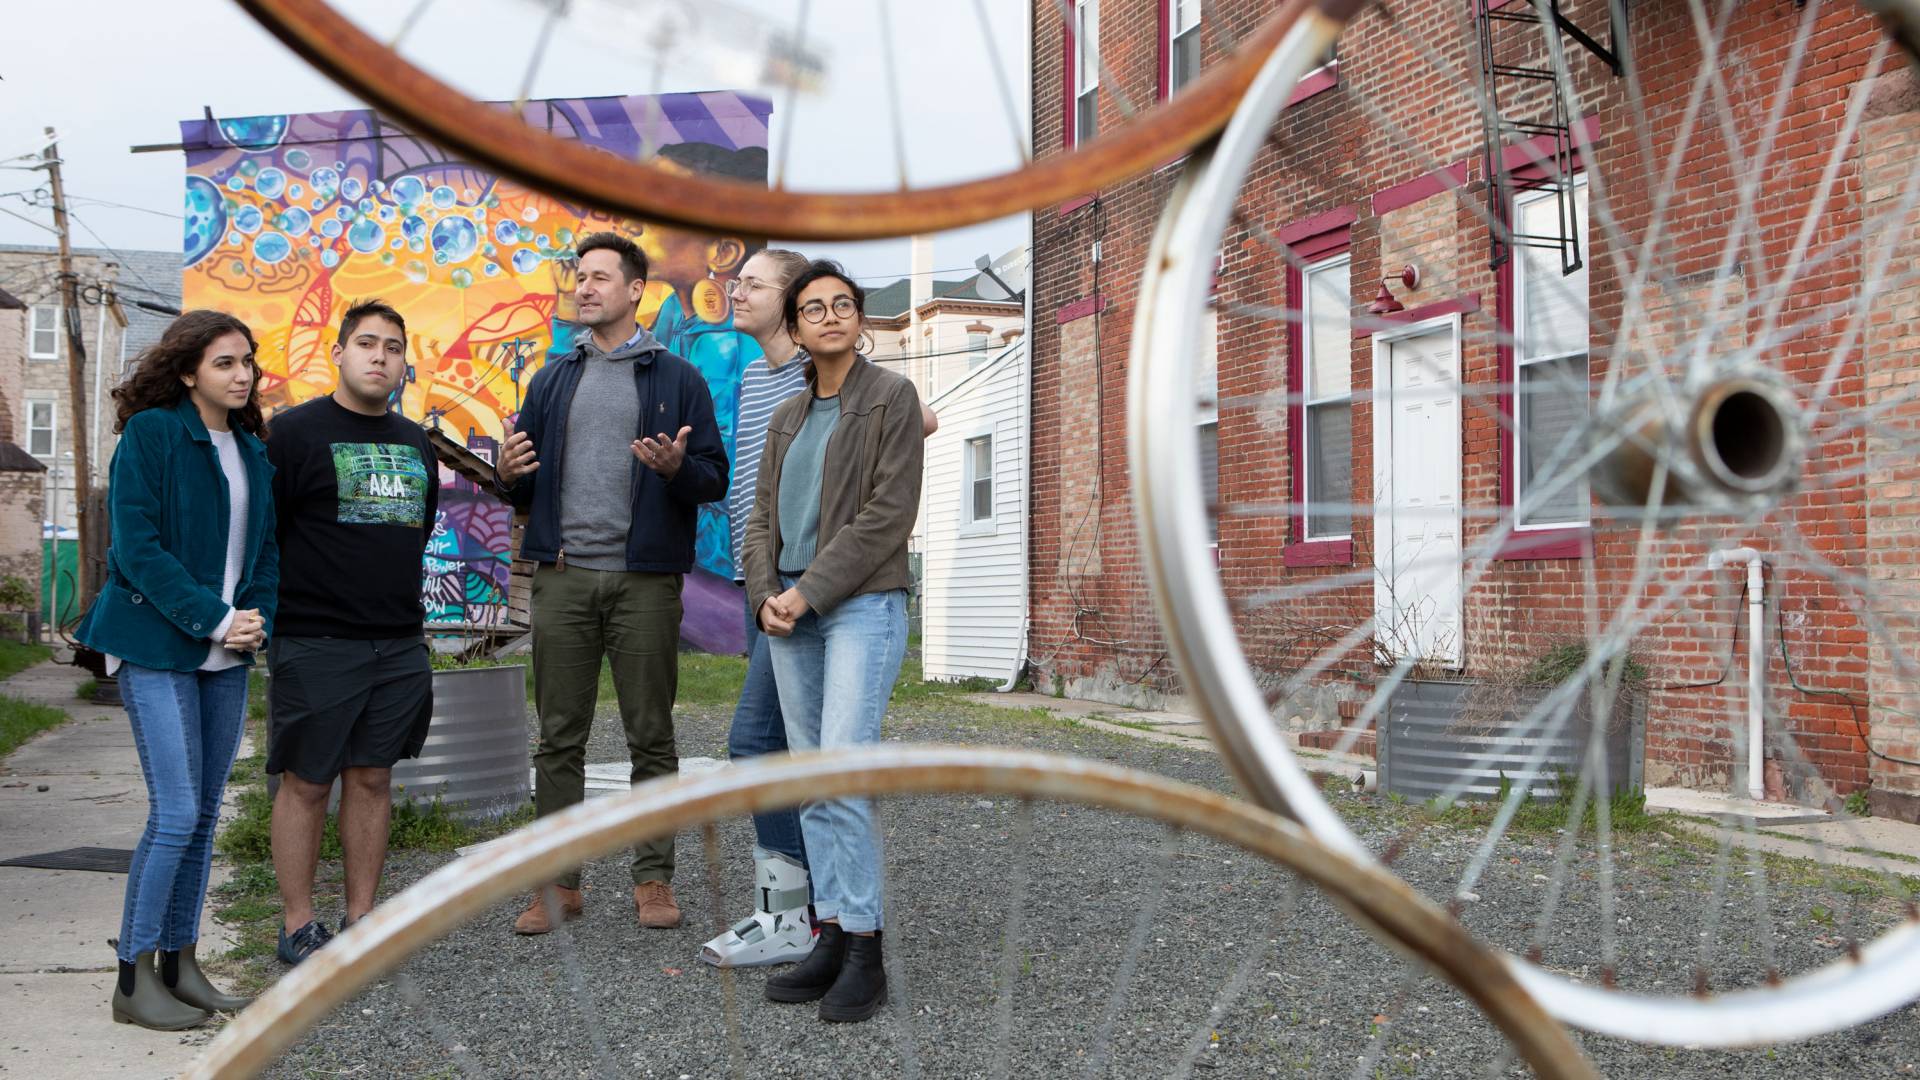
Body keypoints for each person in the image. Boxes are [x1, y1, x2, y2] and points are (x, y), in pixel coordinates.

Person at [701, 249, 941, 968]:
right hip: (789, 612)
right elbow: (757, 520)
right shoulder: (785, 413)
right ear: (797, 330)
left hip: (858, 604)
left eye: (842, 305)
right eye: (814, 308)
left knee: (840, 773)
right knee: (809, 778)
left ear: (859, 321)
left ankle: (864, 945)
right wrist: (765, 597)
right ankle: (828, 935)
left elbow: (887, 516)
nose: (829, 317)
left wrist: (806, 593)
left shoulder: (891, 397)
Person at [494, 231, 729, 934]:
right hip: (562, 578)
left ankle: (652, 879)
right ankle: (558, 885)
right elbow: (521, 484)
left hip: (643, 583)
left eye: (601, 277)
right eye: (580, 277)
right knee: (557, 738)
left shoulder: (677, 378)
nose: (585, 287)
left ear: (635, 291)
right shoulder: (552, 378)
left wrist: (674, 471)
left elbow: (712, 476)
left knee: (651, 736)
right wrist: (507, 475)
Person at [74, 310, 277, 1029]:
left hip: (228, 655)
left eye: (247, 361)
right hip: (156, 645)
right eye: (225, 362)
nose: (242, 373)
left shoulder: (251, 449)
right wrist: (217, 618)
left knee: (205, 813)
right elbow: (138, 549)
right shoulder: (153, 434)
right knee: (178, 811)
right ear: (189, 370)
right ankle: (132, 978)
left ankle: (180, 962)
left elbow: (264, 557)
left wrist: (255, 619)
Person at [263, 299, 439, 965]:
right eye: (366, 343)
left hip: (397, 642)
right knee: (306, 781)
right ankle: (298, 923)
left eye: (393, 347)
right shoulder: (294, 433)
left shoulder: (415, 440)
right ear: (338, 352)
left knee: (373, 779)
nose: (379, 357)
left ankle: (361, 919)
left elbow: (416, 529)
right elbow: (268, 534)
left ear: (403, 362)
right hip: (315, 639)